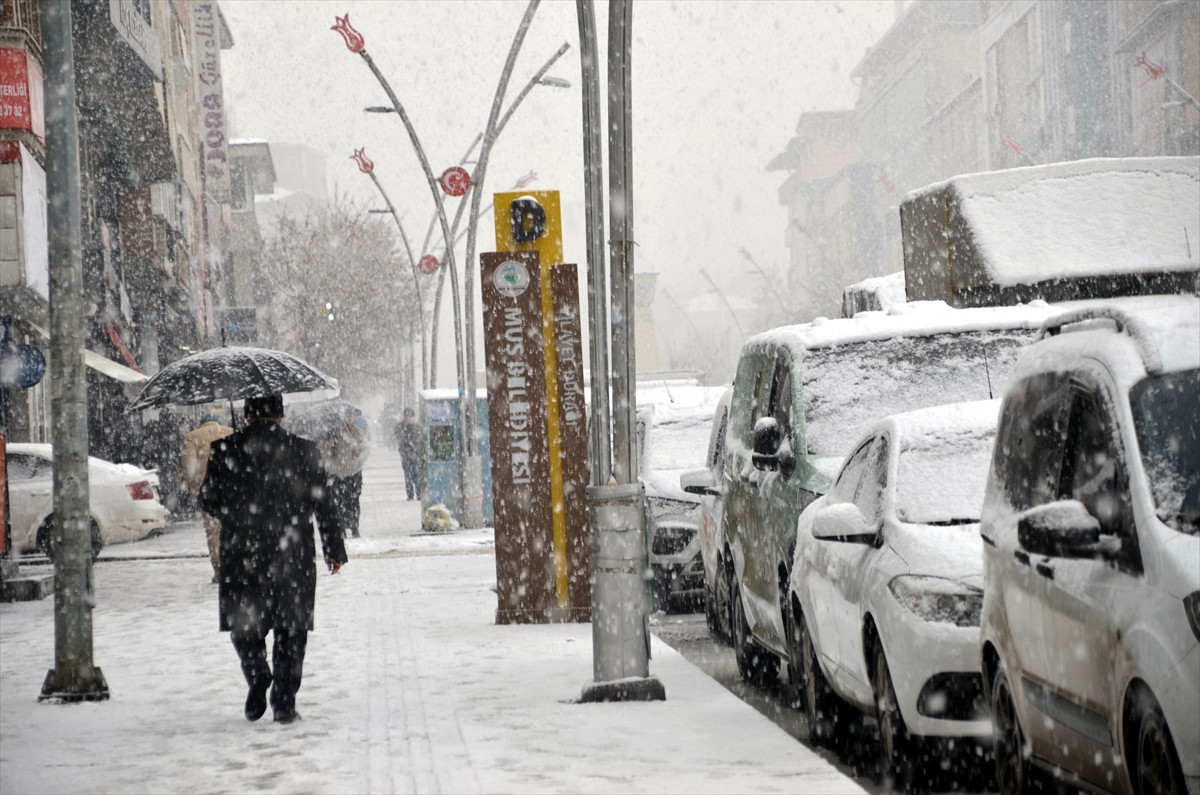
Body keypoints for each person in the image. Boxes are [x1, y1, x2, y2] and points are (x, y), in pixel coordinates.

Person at [198, 394, 347, 725]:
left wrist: (238, 511)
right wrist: (334, 549)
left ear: (247, 413)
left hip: (242, 554)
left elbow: (208, 501)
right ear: (280, 414)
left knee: (245, 624)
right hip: (291, 555)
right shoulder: (306, 451)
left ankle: (256, 672)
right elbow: (324, 504)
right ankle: (284, 702)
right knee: (291, 630)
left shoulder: (225, 449)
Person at [181, 413, 234, 583]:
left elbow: (189, 467)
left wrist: (192, 489)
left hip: (208, 491)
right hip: (231, 490)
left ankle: (219, 570)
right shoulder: (231, 432)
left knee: (213, 532)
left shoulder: (192, 437)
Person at [393, 408, 425, 501]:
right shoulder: (400, 427)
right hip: (405, 455)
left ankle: (419, 494)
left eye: (410, 416)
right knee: (408, 476)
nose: (408, 418)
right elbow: (399, 436)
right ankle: (410, 495)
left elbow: (419, 438)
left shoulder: (417, 427)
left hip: (415, 455)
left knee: (417, 475)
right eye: (406, 416)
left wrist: (414, 446)